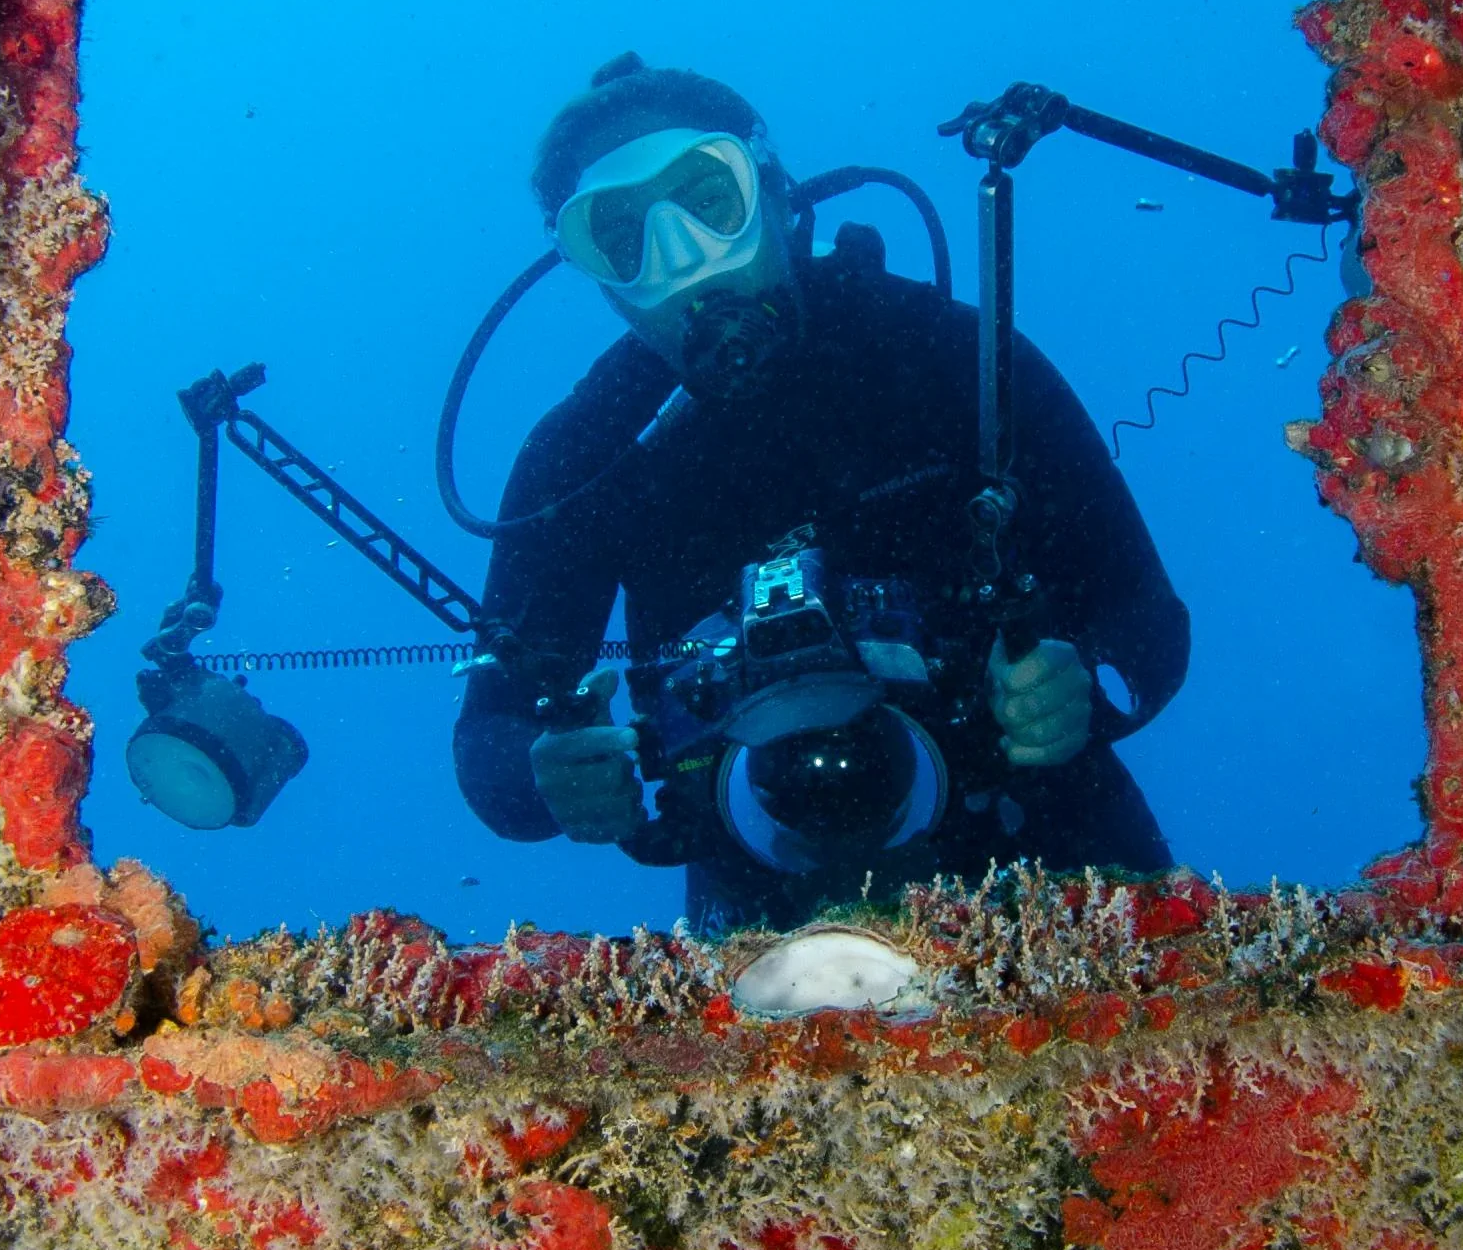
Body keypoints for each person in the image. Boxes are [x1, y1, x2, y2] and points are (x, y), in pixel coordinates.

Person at [454, 56, 1189, 929]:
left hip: (1057, 850)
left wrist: (1083, 688)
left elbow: (1146, 618)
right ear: (592, 270)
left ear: (772, 187)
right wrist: (553, 775)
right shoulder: (581, 455)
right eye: (620, 233)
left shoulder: (952, 356)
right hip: (771, 900)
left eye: (706, 196)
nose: (680, 255)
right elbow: (489, 737)